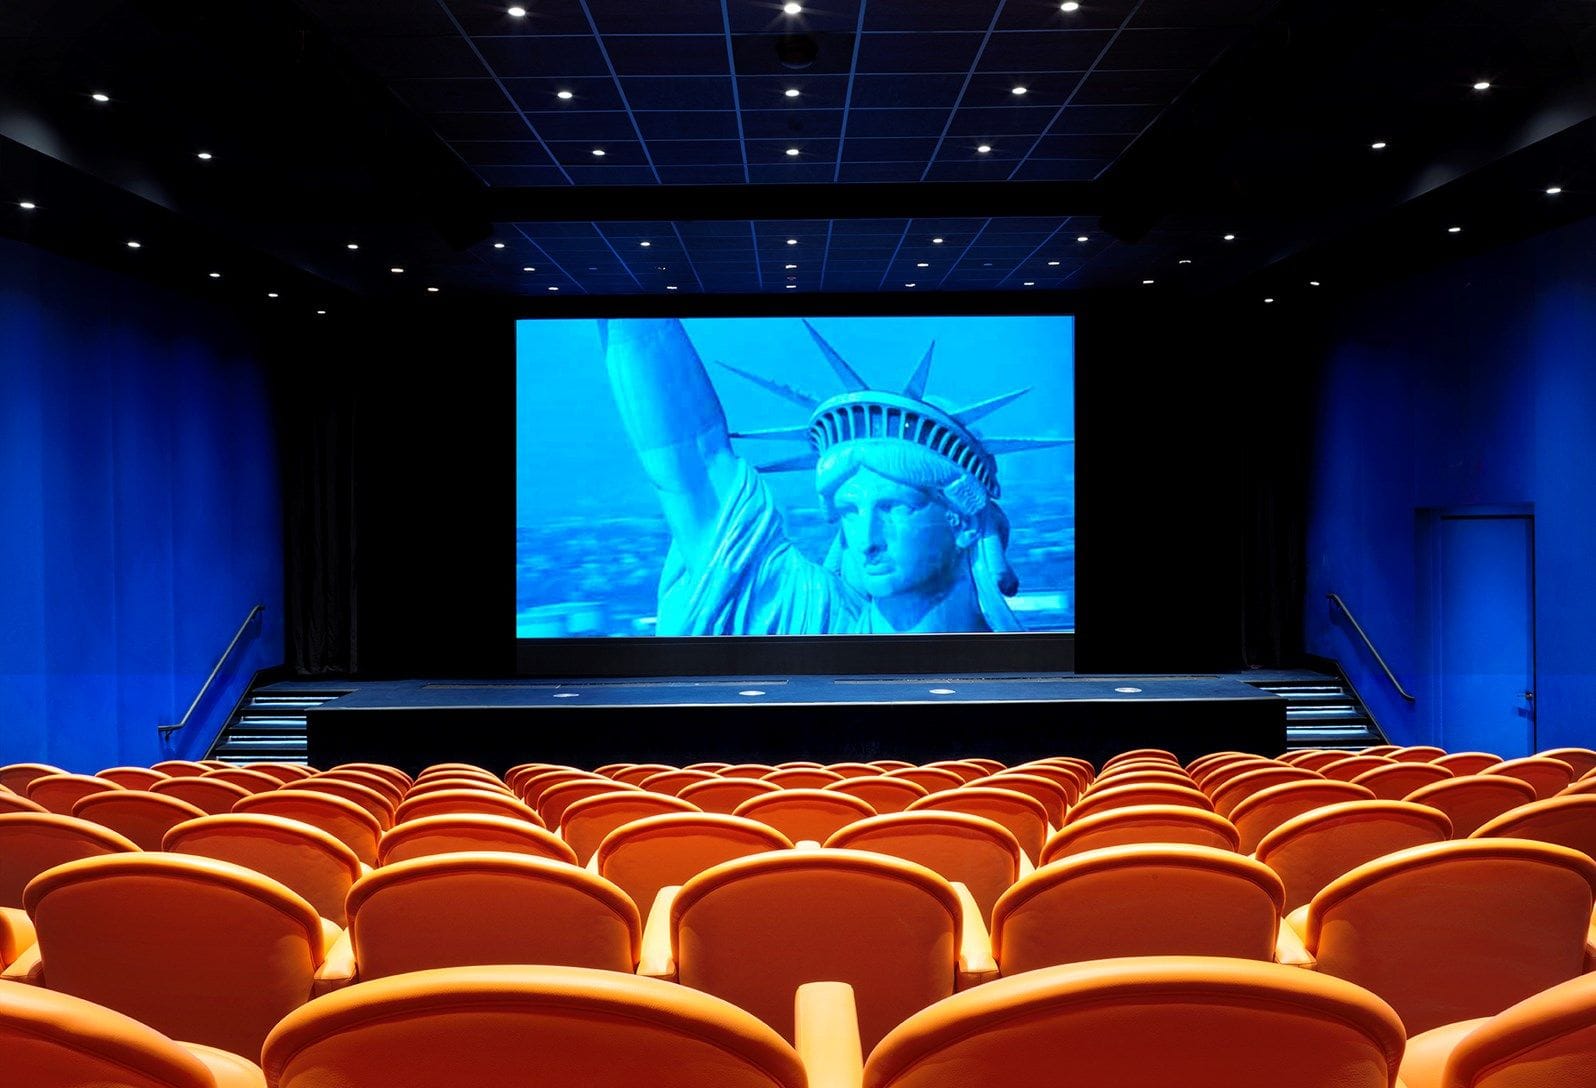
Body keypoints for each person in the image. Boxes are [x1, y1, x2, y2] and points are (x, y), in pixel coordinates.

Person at [602, 317, 1056, 636]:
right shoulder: (811, 617)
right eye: (850, 512)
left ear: (963, 521)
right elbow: (693, 463)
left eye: (895, 507)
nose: (867, 540)